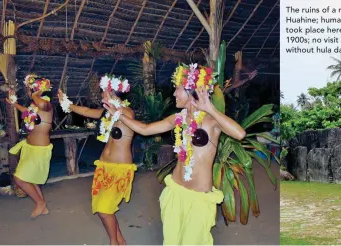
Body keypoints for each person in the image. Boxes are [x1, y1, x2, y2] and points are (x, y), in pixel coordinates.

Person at [104, 63, 246, 245]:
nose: (173, 94)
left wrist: (210, 109)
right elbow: (146, 129)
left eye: (177, 89)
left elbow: (240, 134)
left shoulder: (211, 121)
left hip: (199, 197)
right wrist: (118, 115)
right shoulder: (177, 119)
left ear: (190, 90)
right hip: (176, 191)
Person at [58, 74, 135, 245]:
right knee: (104, 207)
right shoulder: (106, 114)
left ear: (111, 91)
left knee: (104, 209)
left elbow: (128, 117)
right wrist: (67, 104)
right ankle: (120, 240)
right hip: (104, 166)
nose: (101, 95)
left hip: (119, 169)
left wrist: (116, 110)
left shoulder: (126, 113)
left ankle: (114, 242)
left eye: (103, 92)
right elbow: (85, 111)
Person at [5, 74, 53, 218]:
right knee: (30, 178)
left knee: (19, 179)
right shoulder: (34, 106)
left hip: (39, 150)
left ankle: (39, 202)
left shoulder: (46, 104)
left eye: (29, 88)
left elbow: (42, 105)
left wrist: (36, 94)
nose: (27, 91)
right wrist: (14, 104)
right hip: (29, 147)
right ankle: (43, 206)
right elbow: (27, 112)